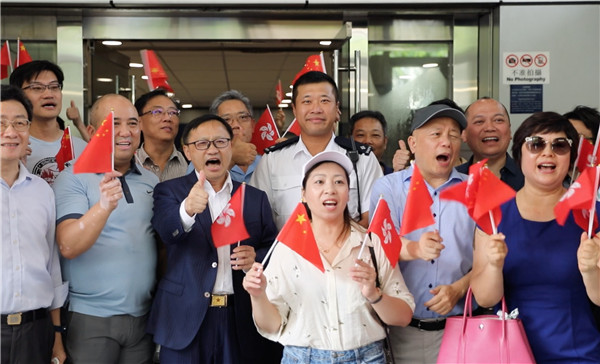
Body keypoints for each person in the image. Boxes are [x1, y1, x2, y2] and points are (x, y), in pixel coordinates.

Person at [243, 150, 415, 363]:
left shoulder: (370, 244)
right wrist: (258, 295)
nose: (330, 190)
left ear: (348, 193)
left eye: (339, 182)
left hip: (367, 358)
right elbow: (271, 325)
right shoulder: (287, 248)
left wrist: (374, 294)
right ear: (303, 194)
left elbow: (403, 316)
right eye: (319, 182)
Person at [147, 114, 282, 363]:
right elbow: (166, 231)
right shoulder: (171, 191)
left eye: (220, 141)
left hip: (240, 315)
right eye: (202, 144)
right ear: (187, 151)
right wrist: (187, 209)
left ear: (231, 146)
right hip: (185, 316)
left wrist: (256, 258)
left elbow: (273, 250)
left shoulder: (254, 197)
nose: (212, 149)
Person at [470, 111, 600, 362]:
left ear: (571, 157)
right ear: (520, 155)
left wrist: (590, 270)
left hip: (578, 355)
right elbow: (485, 298)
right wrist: (494, 266)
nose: (547, 152)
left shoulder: (592, 215)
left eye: (560, 145)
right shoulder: (493, 216)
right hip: (509, 354)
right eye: (536, 144)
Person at [53, 94, 158, 363]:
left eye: (133, 123)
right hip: (91, 318)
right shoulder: (72, 177)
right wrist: (103, 206)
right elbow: (68, 245)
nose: (125, 132)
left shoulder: (150, 180)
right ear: (91, 131)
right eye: (114, 124)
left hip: (143, 317)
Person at [370, 104, 476, 363]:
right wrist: (415, 248)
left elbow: (489, 261)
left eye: (453, 135)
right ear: (413, 143)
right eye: (436, 134)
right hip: (403, 330)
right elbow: (381, 249)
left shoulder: (475, 190)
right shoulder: (389, 188)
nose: (446, 142)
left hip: (461, 329)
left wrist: (458, 289)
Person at [250, 71, 382, 229]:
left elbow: (374, 218)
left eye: (324, 101)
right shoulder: (273, 160)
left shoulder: (362, 158)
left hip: (347, 252)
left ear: (337, 108)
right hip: (287, 252)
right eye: (307, 101)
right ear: (294, 109)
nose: (316, 109)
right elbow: (257, 218)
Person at [1, 85, 68, 364]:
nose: (11, 131)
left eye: (20, 122)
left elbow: (52, 265)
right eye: (1, 123)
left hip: (36, 331)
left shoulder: (42, 191)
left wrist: (56, 334)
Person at [9, 60, 87, 185]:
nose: (48, 94)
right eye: (37, 88)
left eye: (54, 87)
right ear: (19, 96)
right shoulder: (11, 147)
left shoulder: (82, 148)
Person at [457, 97, 524, 190]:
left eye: (498, 120)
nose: (489, 128)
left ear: (510, 131)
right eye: (479, 121)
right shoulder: (452, 179)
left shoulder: (530, 176)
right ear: (464, 134)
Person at [134, 88, 188, 182]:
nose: (167, 118)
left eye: (172, 112)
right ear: (139, 122)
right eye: (157, 112)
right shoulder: (128, 164)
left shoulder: (191, 163)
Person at [209, 90, 259, 183]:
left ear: (252, 125)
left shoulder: (267, 162)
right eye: (227, 119)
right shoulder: (202, 158)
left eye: (243, 117)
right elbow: (196, 192)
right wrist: (231, 160)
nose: (236, 125)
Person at [349, 110, 394, 175]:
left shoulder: (393, 175)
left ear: (385, 142)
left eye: (375, 135)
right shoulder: (342, 175)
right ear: (350, 140)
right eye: (360, 135)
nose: (368, 141)